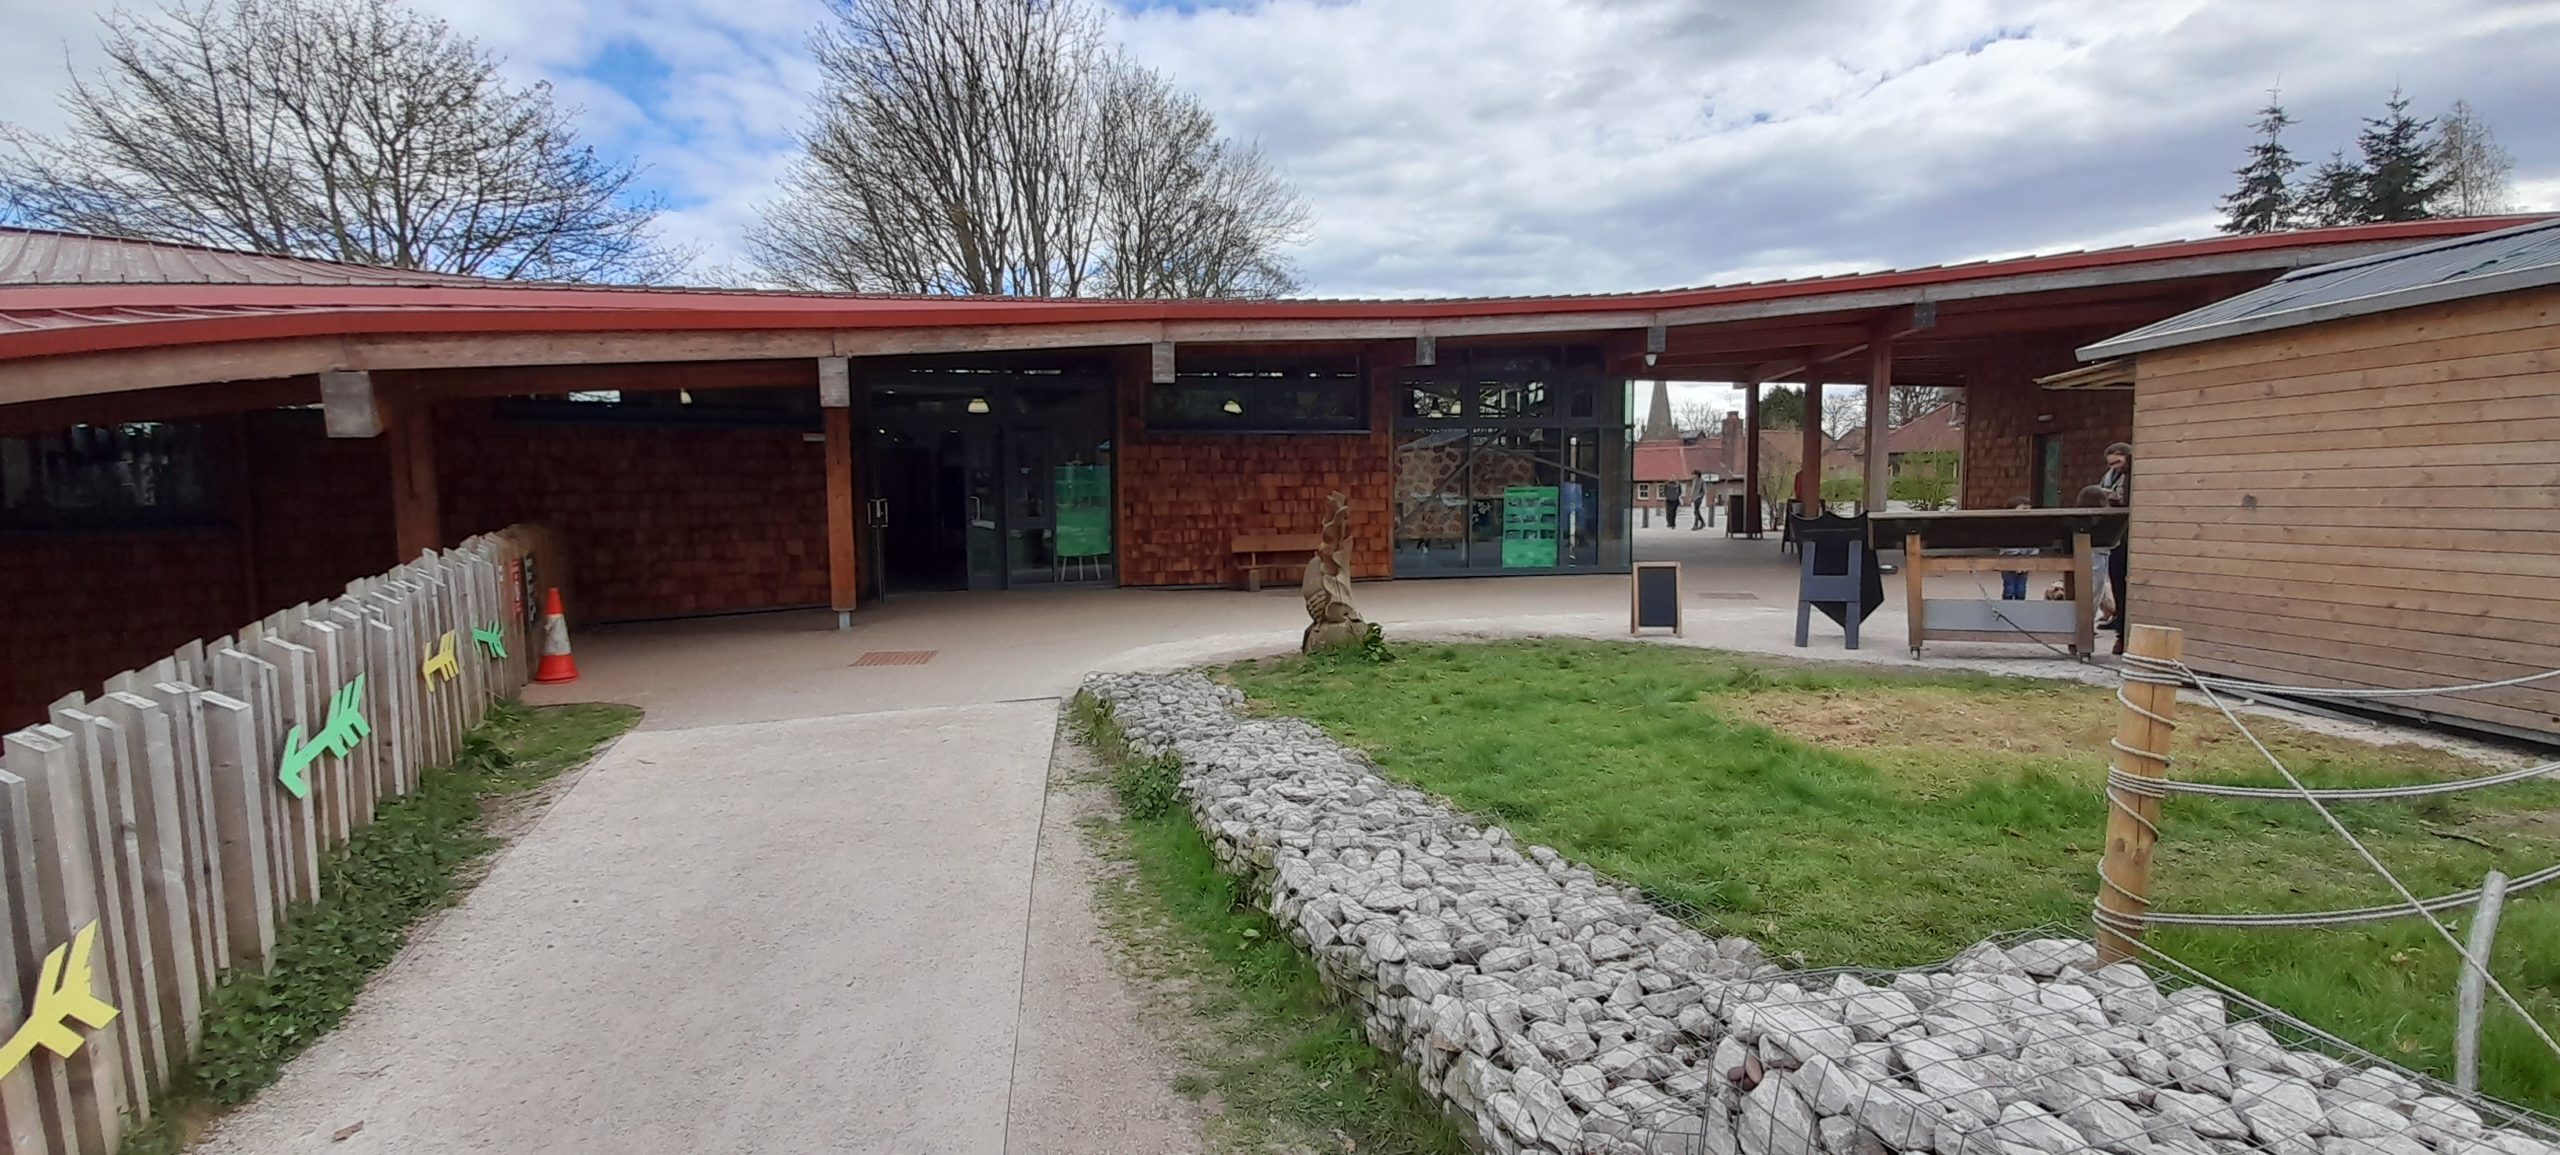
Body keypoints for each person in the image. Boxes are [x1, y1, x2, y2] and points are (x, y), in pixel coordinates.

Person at [2097, 442, 2132, 654]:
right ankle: (2119, 625)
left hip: (2130, 532)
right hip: (2117, 535)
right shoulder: (2111, 476)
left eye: (2118, 462)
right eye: (2112, 464)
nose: (2116, 467)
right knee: (2118, 583)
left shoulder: (2133, 475)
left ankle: (2123, 632)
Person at [1997, 496, 2034, 599]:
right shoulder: (2006, 526)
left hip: (2025, 561)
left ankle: (2020, 607)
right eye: (2024, 509)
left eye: (2029, 509)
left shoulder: (2031, 527)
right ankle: (2007, 607)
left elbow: (2035, 544)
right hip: (2008, 561)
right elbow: (2005, 546)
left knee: (2021, 589)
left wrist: (2028, 559)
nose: (2027, 512)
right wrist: (2016, 560)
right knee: (2009, 588)